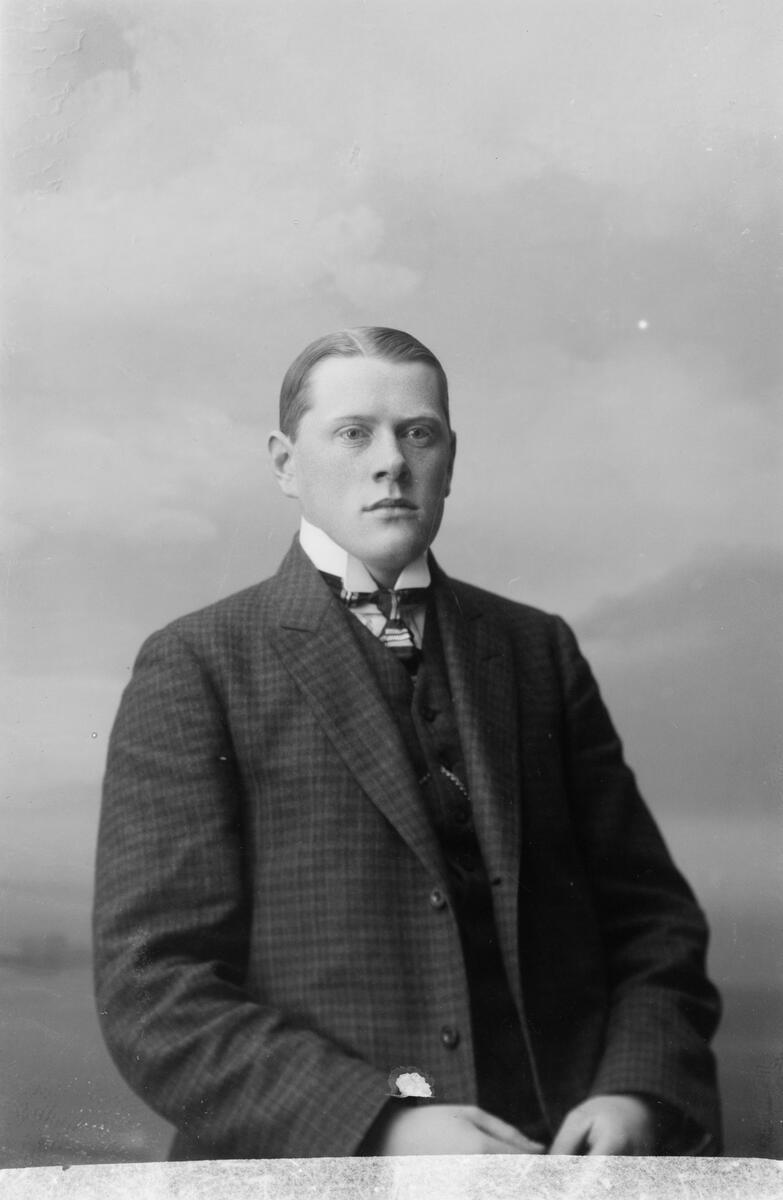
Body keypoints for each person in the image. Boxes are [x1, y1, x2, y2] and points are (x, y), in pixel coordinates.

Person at [93, 327, 722, 1159]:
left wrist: (635, 1091)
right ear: (285, 463)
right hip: (319, 1172)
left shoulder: (536, 650)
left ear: (449, 460)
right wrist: (384, 1125)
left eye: (417, 433)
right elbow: (155, 987)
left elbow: (651, 923)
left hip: (559, 1166)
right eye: (353, 434)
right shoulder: (200, 662)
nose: (390, 462)